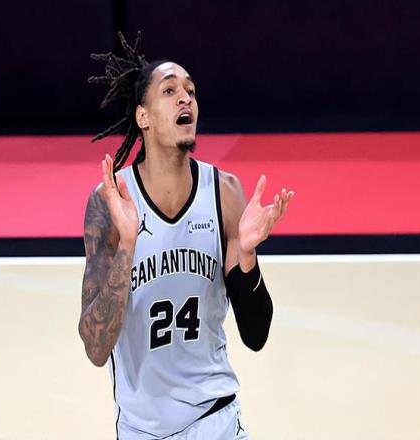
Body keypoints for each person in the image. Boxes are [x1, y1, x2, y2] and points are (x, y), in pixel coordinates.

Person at [78, 32, 294, 440]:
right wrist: (127, 246)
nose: (186, 99)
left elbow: (256, 335)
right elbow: (95, 346)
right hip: (141, 429)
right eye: (170, 90)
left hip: (215, 418)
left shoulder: (224, 193)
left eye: (191, 91)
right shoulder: (110, 202)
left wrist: (247, 257)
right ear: (143, 117)